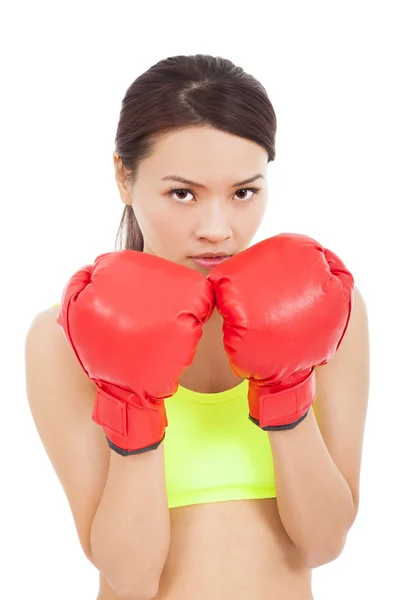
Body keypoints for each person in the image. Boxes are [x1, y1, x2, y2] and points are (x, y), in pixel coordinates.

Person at [24, 54, 370, 600]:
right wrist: (133, 406)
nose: (217, 229)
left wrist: (286, 390)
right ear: (123, 176)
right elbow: (132, 579)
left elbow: (323, 544)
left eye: (243, 192)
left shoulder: (326, 308)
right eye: (182, 193)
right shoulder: (64, 339)